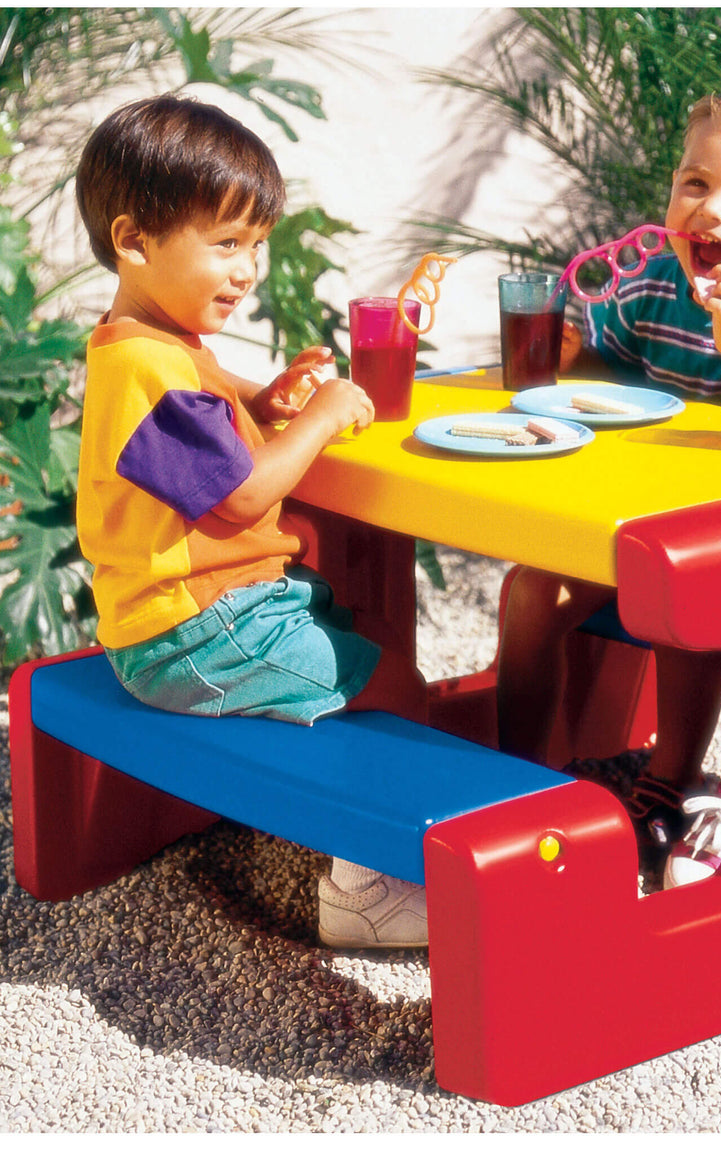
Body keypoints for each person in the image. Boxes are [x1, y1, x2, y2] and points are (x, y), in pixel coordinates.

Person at [74, 94, 428, 950]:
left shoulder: (151, 342)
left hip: (195, 616)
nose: (248, 271)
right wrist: (322, 415)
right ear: (134, 241)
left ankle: (379, 828)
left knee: (362, 631)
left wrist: (266, 401)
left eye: (256, 247)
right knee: (394, 688)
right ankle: (365, 889)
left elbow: (205, 430)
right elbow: (239, 496)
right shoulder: (149, 370)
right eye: (226, 245)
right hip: (193, 633)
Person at [496, 87, 721, 886]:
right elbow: (599, 378)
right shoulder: (652, 280)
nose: (709, 210)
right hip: (625, 516)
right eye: (695, 184)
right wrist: (567, 347)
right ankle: (518, 777)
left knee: (680, 605)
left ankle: (671, 782)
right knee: (527, 591)